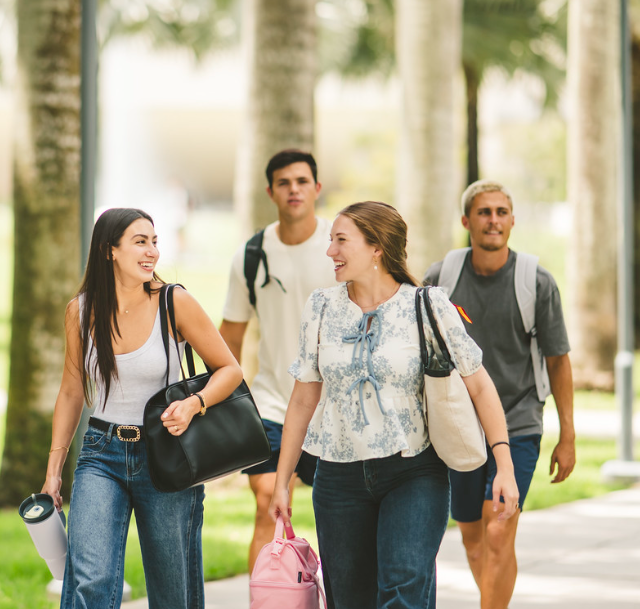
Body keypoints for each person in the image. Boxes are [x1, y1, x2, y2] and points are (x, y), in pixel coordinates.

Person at [269, 201, 520, 609]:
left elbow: (480, 385)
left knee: (404, 589)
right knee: (349, 599)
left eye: (340, 241)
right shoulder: (321, 306)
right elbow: (303, 398)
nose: (330, 251)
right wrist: (282, 481)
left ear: (376, 248)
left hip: (414, 469)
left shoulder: (428, 305)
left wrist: (503, 466)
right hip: (337, 476)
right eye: (331, 241)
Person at [41, 207, 243, 609]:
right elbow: (70, 392)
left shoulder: (175, 302)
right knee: (90, 580)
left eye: (154, 241)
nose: (152, 251)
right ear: (109, 250)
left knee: (173, 591)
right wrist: (53, 472)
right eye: (140, 241)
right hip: (102, 453)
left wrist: (194, 404)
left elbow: (229, 370)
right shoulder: (80, 311)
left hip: (167, 453)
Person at [423, 180, 575, 609]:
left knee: (498, 528)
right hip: (460, 428)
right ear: (466, 221)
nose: (493, 220)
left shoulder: (536, 281)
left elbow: (558, 360)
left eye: (501, 212)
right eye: (484, 212)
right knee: (473, 537)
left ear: (511, 220)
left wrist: (568, 435)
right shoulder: (441, 278)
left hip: (520, 421)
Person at [219, 149, 337, 572]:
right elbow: (228, 337)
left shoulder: (339, 246)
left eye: (302, 181)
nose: (294, 190)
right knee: (268, 503)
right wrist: (220, 405)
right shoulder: (251, 255)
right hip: (272, 404)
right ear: (270, 191)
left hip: (334, 407)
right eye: (284, 183)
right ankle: (267, 598)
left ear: (317, 188)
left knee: (337, 519)